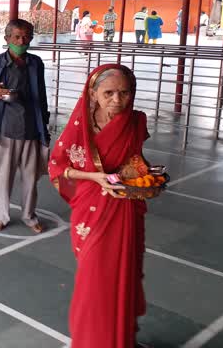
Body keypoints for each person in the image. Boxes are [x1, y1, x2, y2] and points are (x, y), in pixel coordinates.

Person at [48, 64, 151, 348]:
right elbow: (57, 166)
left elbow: (135, 160)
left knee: (125, 274)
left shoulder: (136, 121)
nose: (117, 100)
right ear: (93, 94)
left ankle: (122, 337)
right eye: (109, 93)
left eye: (124, 93)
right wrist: (95, 177)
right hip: (91, 208)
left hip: (125, 209)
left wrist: (146, 176)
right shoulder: (81, 124)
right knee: (94, 280)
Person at [0, 19, 50, 234]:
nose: (22, 41)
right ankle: (0, 216)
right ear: (7, 39)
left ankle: (29, 215)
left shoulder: (36, 63)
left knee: (31, 177)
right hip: (6, 128)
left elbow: (42, 95)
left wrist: (44, 125)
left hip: (31, 128)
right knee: (4, 177)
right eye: (17, 37)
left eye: (27, 36)